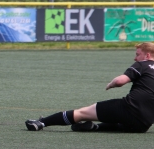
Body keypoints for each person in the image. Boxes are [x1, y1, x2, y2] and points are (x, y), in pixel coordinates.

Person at [26, 42, 154, 133]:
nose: (135, 58)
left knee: (82, 113)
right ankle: (94, 128)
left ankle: (41, 123)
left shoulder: (143, 64)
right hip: (144, 123)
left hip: (130, 108)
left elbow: (121, 81)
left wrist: (110, 84)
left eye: (138, 54)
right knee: (121, 124)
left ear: (147, 56)